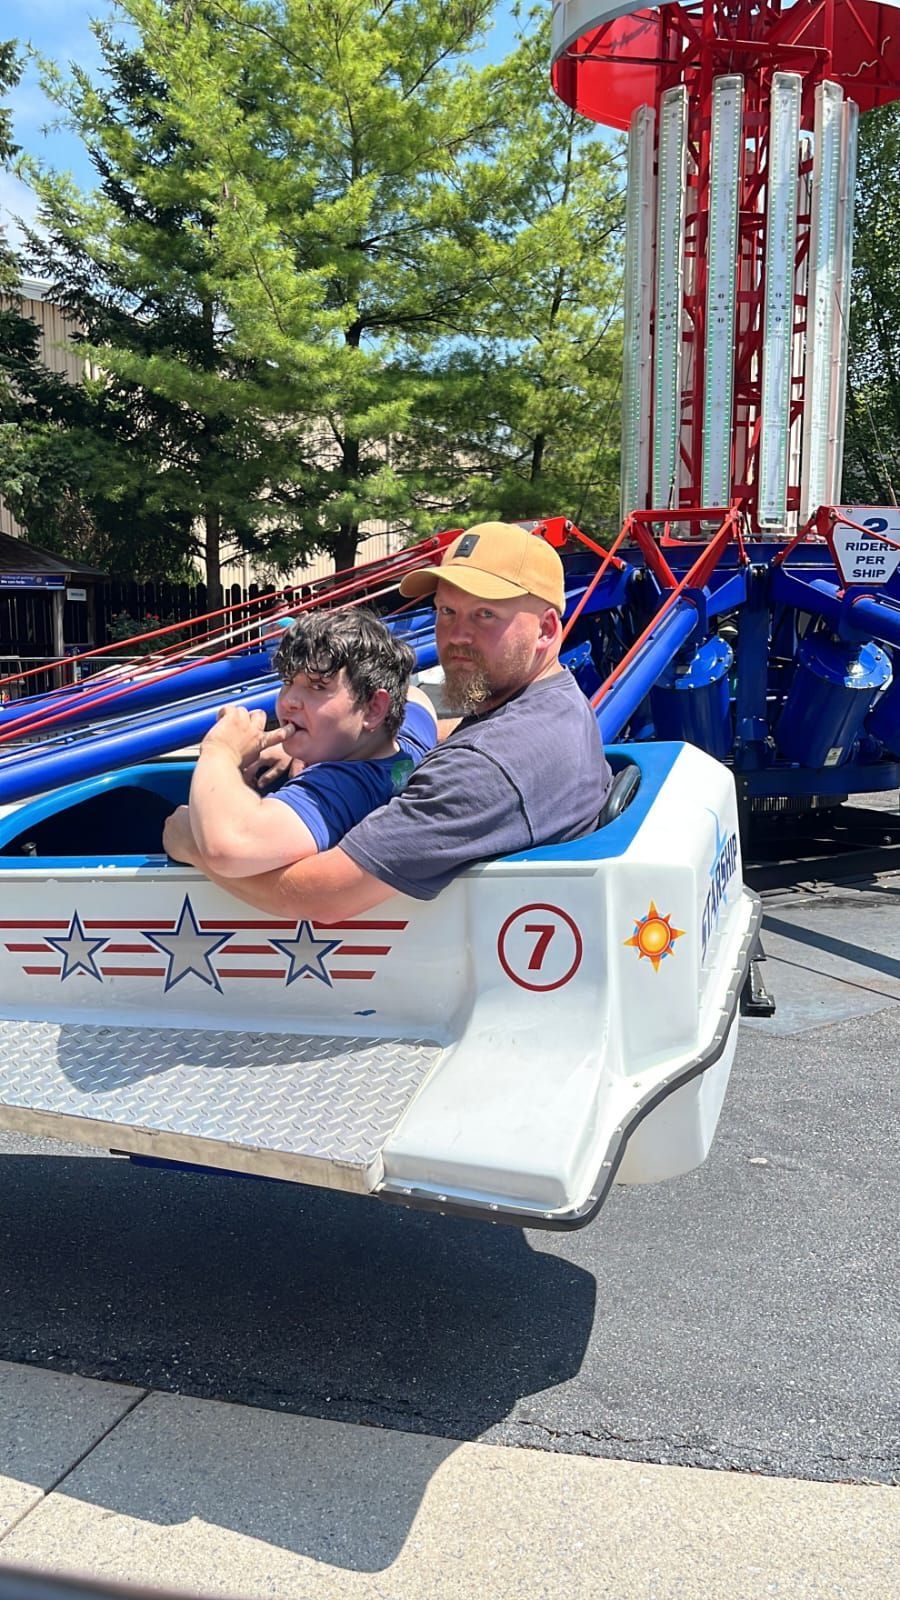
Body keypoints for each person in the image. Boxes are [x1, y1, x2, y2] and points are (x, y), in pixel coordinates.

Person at [163, 520, 613, 916]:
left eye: (485, 615)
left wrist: (195, 839)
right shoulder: (552, 704)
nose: (456, 635)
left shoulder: (486, 768)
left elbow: (316, 899)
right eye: (446, 611)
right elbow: (422, 710)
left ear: (547, 629)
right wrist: (313, 741)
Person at [170, 608, 437, 878]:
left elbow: (229, 848)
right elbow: (416, 698)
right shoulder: (411, 739)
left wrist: (220, 752)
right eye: (287, 681)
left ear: (373, 709)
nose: (288, 701)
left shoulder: (342, 786)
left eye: (318, 686)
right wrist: (309, 744)